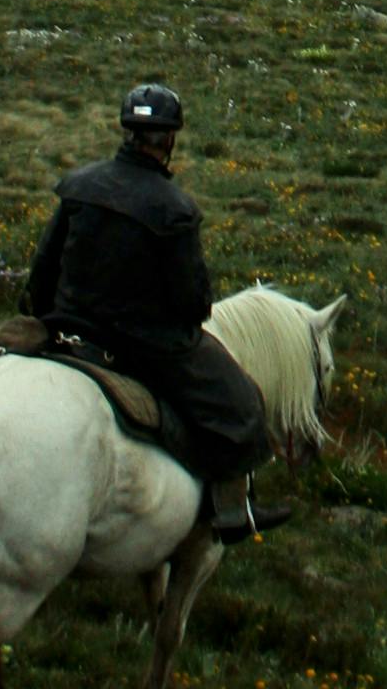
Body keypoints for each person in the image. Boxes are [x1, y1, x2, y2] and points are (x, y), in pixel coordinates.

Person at [25, 83, 290, 542]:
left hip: (67, 326)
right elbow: (192, 304)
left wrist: (41, 317)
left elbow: (43, 270)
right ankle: (231, 511)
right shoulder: (174, 209)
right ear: (169, 140)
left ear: (128, 131)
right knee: (240, 404)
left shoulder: (80, 186)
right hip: (141, 344)